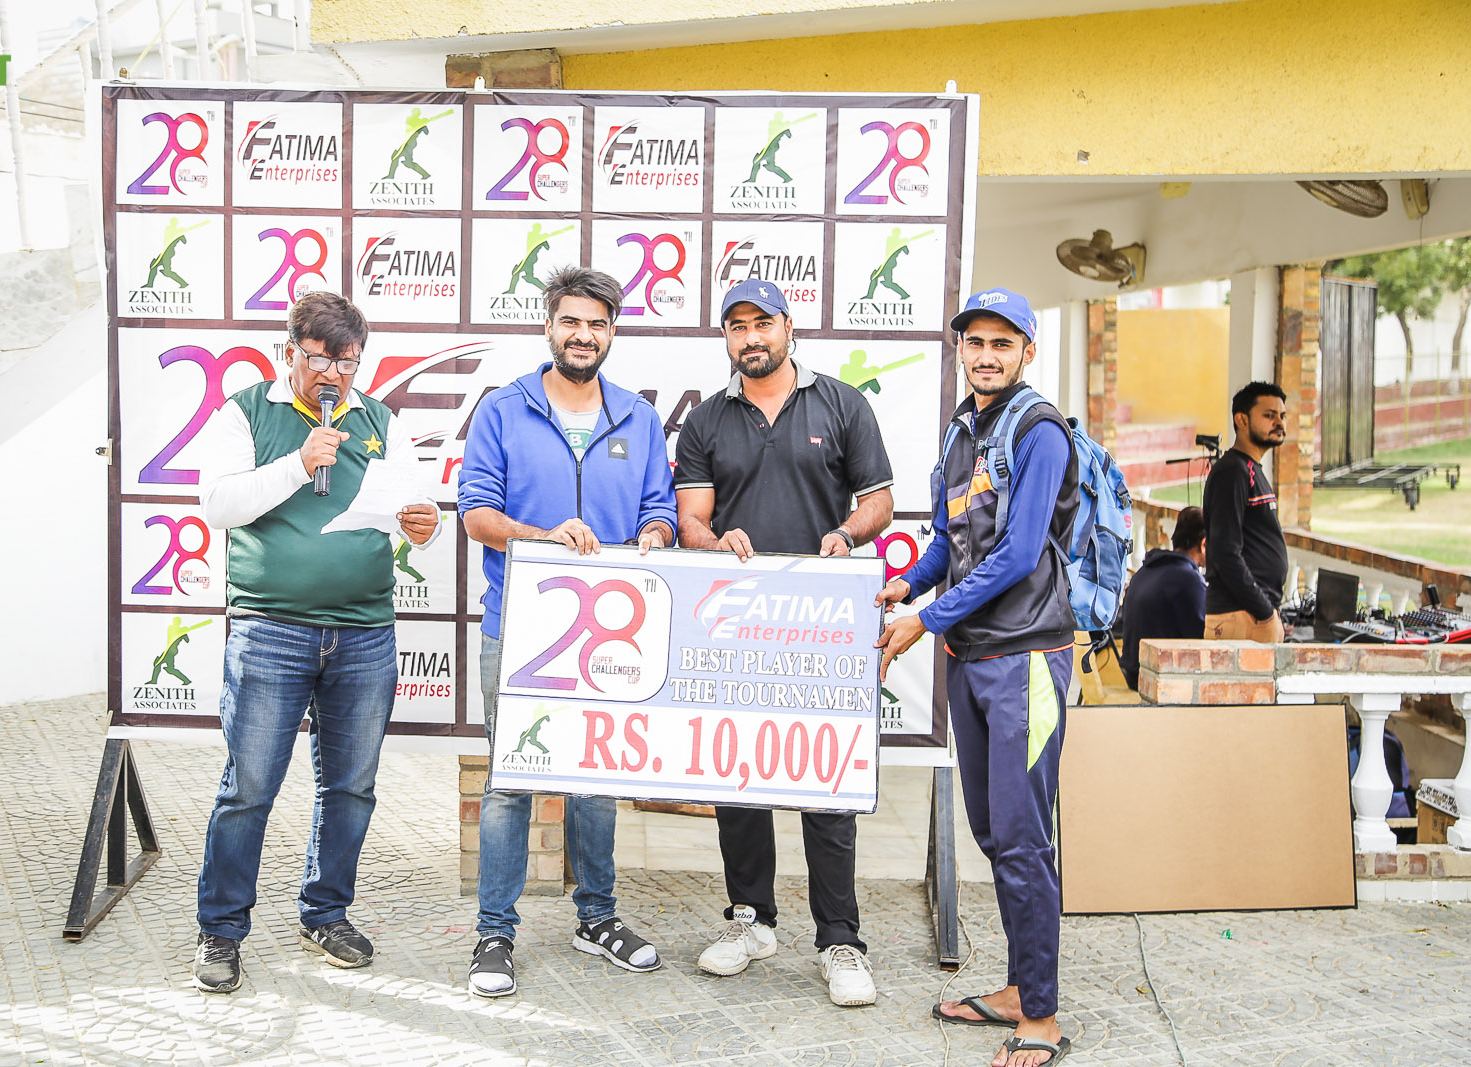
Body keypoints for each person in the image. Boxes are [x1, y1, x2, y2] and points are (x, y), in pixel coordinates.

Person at [191, 292, 442, 994]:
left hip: (364, 632)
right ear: (290, 352)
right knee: (248, 787)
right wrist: (299, 464)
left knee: (351, 787)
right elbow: (216, 504)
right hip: (270, 630)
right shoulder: (247, 412)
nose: (334, 375)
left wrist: (424, 525)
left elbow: (411, 510)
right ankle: (221, 929)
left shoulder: (380, 420)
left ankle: (325, 913)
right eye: (321, 359)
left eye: (348, 362)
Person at [458, 266, 677, 998]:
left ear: (612, 332)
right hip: (521, 625)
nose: (584, 335)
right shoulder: (503, 409)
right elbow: (476, 514)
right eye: (571, 322)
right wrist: (543, 536)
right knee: (511, 781)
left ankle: (597, 918)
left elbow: (659, 509)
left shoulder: (638, 418)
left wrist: (654, 533)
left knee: (598, 781)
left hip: (612, 633)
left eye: (597, 324)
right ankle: (495, 931)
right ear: (549, 326)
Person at [674, 277, 893, 1007]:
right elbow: (691, 519)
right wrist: (713, 541)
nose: (750, 337)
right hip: (732, 622)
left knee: (824, 783)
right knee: (737, 777)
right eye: (737, 326)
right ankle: (751, 920)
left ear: (788, 326)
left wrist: (847, 534)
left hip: (821, 624)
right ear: (726, 337)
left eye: (761, 323)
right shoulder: (706, 419)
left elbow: (879, 501)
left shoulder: (842, 404)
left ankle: (840, 939)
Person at [874, 288, 1077, 1067]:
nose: (987, 355)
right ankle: (1022, 987)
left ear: (1027, 351)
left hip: (1024, 658)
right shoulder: (964, 430)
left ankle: (1042, 1018)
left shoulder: (1039, 430)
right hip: (971, 657)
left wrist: (925, 619)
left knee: (1024, 840)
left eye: (1003, 342)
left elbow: (1019, 553)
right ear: (960, 348)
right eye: (975, 342)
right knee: (995, 834)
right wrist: (908, 584)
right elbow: (947, 540)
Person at [1202, 382, 1288, 643]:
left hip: (1252, 615)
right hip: (1242, 616)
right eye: (1269, 415)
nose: (1279, 423)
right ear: (1242, 420)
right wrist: (1264, 612)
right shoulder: (1233, 471)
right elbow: (1225, 551)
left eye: (1282, 416)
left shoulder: (1251, 469)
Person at [1117, 506, 1207, 690]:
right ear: (1203, 544)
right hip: (1155, 682)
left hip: (1132, 673)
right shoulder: (1188, 581)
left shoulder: (1145, 570)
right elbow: (1202, 640)